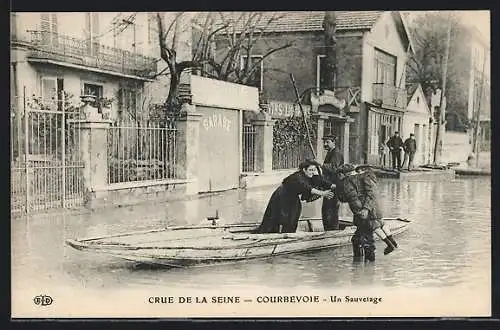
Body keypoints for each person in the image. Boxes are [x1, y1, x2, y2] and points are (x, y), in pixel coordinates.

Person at [336, 164, 398, 262]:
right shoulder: (366, 177)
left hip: (363, 213)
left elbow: (352, 198)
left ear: (342, 174)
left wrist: (362, 211)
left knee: (366, 240)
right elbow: (372, 194)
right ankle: (360, 264)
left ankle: (367, 268)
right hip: (372, 209)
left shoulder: (347, 181)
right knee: (358, 239)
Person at [256, 159, 336, 234]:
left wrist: (332, 185)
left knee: (293, 217)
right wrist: (323, 193)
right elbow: (307, 188)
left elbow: (320, 181)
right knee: (274, 217)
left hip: (292, 197)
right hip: (281, 197)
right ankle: (270, 234)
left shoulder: (309, 176)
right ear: (304, 170)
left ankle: (289, 234)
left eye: (314, 170)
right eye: (310, 170)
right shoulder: (298, 177)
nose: (313, 172)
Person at [320, 135, 344, 231]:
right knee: (326, 209)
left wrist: (322, 165)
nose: (325, 144)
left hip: (334, 186)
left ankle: (333, 231)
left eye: (328, 142)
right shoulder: (330, 152)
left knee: (331, 209)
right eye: (324, 142)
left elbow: (334, 168)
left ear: (333, 142)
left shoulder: (336, 153)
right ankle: (328, 230)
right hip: (329, 185)